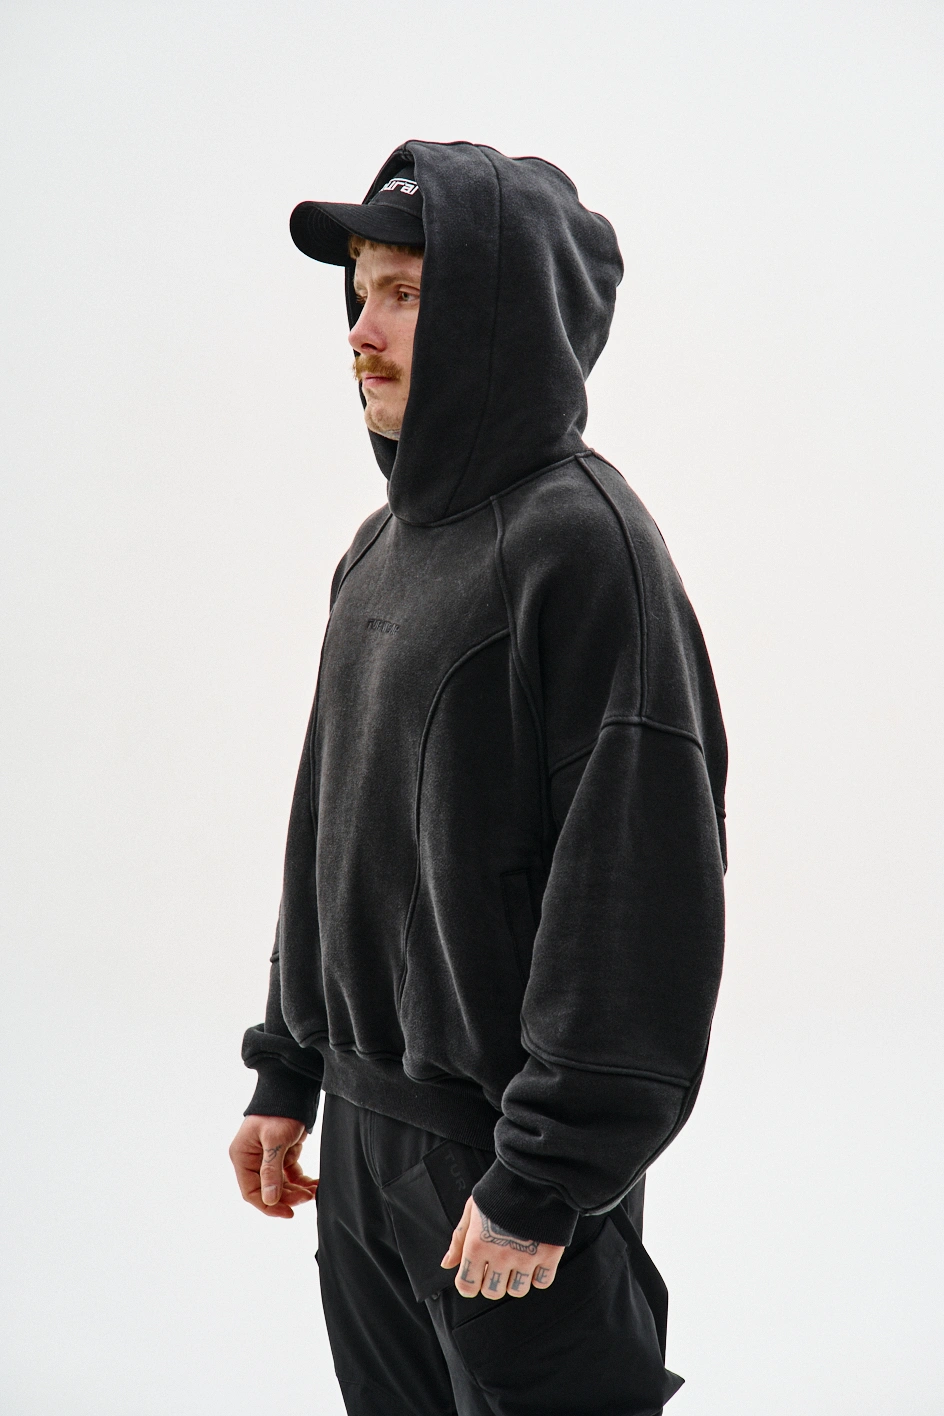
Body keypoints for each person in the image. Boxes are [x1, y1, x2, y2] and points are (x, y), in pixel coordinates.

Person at [228, 140, 727, 1416]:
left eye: (403, 294)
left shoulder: (585, 549)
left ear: (499, 320)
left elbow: (637, 893)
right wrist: (290, 1069)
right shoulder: (378, 550)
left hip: (499, 1165)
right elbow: (329, 825)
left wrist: (546, 1175)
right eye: (359, 293)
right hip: (364, 1140)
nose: (360, 331)